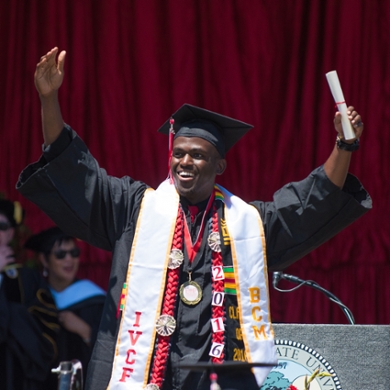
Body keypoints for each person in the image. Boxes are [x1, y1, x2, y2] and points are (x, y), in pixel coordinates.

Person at [16, 47, 371, 390]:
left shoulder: (246, 224)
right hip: (136, 374)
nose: (184, 162)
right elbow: (75, 171)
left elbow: (308, 205)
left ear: (220, 166)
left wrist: (344, 146)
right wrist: (50, 99)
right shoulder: (134, 210)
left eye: (198, 155)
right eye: (179, 153)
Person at [24, 226, 106, 386]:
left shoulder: (94, 299)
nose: (69, 259)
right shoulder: (34, 299)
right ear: (44, 259)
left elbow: (112, 349)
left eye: (74, 253)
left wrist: (85, 330)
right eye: (60, 255)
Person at [0, 199, 58, 390]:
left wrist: (12, 317)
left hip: (18, 378)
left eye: (1, 226)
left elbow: (45, 338)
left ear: (11, 232)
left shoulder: (28, 278)